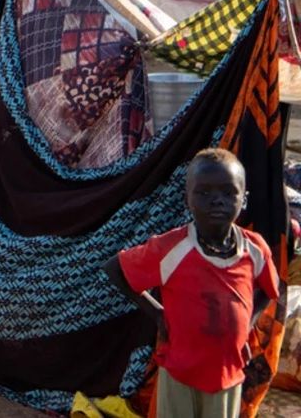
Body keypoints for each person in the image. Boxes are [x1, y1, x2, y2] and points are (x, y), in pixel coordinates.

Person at [106, 149, 279, 417]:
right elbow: (116, 268)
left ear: (243, 199)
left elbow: (269, 289)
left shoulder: (254, 250)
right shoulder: (171, 248)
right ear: (188, 199)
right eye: (204, 193)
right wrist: (157, 313)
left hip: (227, 375)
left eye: (228, 192)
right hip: (180, 373)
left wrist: (248, 323)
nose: (217, 201)